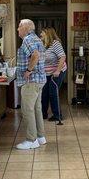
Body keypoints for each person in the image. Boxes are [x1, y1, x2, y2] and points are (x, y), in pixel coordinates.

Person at [16, 19, 47, 150]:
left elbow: (35, 55)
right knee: (36, 109)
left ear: (25, 28)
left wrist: (28, 70)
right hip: (39, 79)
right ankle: (40, 137)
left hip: (31, 81)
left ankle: (31, 140)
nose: (17, 29)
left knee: (27, 110)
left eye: (19, 26)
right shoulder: (36, 39)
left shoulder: (28, 39)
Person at [40, 28, 67, 122]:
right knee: (44, 93)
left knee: (52, 92)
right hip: (46, 72)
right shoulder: (42, 44)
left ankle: (57, 115)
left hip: (58, 71)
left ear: (48, 34)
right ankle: (43, 114)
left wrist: (58, 71)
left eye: (42, 33)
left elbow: (62, 57)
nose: (40, 34)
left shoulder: (55, 43)